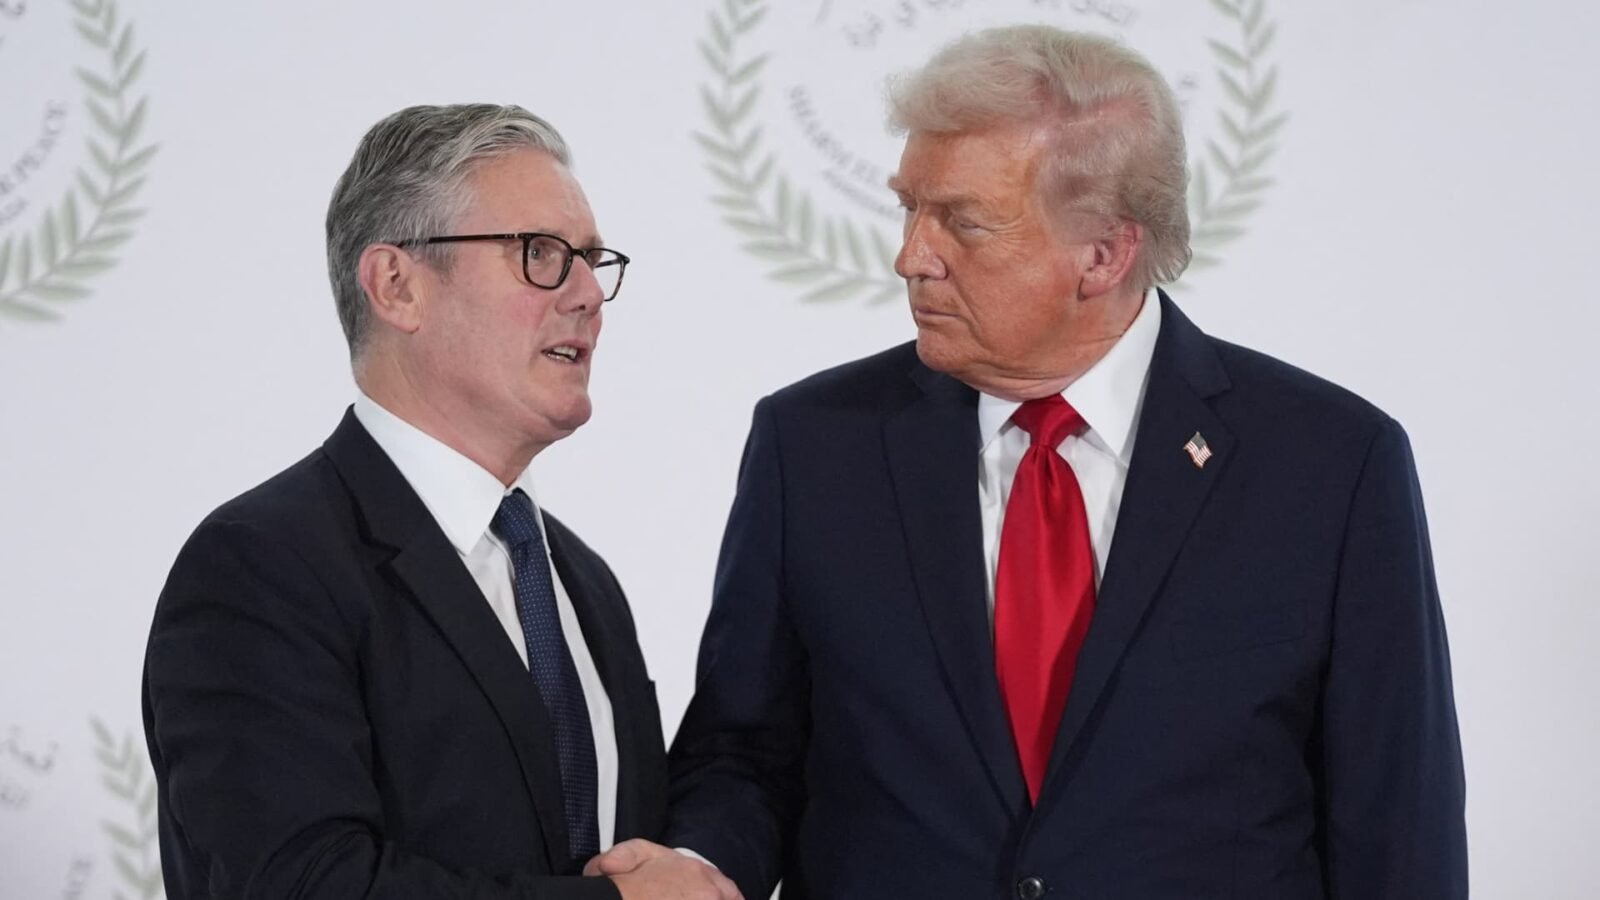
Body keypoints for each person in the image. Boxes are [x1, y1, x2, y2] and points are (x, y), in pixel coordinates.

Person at [594, 26, 1467, 899]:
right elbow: (746, 751)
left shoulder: (1331, 464)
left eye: (961, 223)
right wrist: (704, 866)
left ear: (1104, 254)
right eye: (910, 207)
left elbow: (1395, 820)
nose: (911, 257)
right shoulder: (814, 444)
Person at [142, 104, 738, 900]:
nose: (589, 294)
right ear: (397, 286)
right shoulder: (262, 564)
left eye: (594, 259)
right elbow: (302, 882)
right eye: (542, 253)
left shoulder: (580, 580)